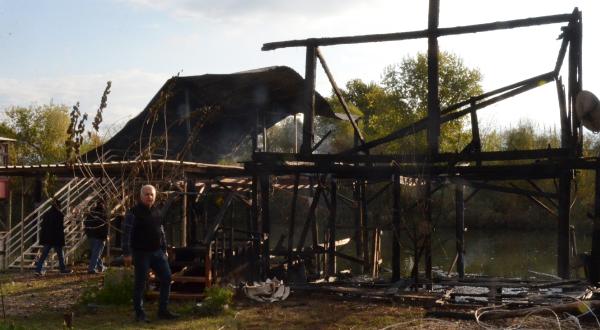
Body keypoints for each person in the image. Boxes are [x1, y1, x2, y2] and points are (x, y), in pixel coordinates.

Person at [122, 184, 178, 322]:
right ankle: (139, 314)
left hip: (157, 252)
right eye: (146, 194)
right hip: (141, 253)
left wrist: (164, 249)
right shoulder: (133, 213)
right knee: (140, 284)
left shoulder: (157, 212)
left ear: (155, 196)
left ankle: (163, 311)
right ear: (141, 196)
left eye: (151, 194)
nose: (149, 196)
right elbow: (126, 234)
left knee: (167, 278)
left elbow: (161, 232)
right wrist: (127, 253)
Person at [34, 199, 72, 275]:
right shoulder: (59, 214)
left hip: (48, 238)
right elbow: (60, 228)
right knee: (60, 255)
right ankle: (62, 269)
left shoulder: (46, 214)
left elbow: (44, 227)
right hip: (56, 238)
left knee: (44, 255)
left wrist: (43, 238)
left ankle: (38, 269)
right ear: (58, 206)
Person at [84, 200, 108, 274]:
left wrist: (88, 233)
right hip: (99, 237)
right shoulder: (103, 215)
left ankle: (100, 266)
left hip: (91, 236)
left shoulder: (91, 214)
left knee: (96, 253)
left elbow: (86, 223)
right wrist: (105, 237)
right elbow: (104, 228)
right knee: (96, 253)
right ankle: (91, 269)